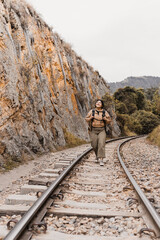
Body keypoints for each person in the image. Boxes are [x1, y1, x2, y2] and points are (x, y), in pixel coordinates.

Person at [85, 99, 111, 166]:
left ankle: (101, 159)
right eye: (97, 102)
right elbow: (86, 119)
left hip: (102, 130)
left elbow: (109, 120)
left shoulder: (105, 112)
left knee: (101, 144)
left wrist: (105, 119)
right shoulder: (92, 111)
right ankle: (97, 155)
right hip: (93, 130)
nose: (98, 103)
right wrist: (90, 118)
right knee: (94, 144)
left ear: (102, 105)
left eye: (99, 103)